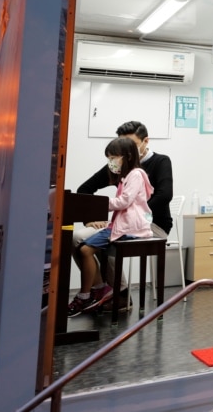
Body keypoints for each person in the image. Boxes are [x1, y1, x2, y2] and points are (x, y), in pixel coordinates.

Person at [73, 121, 174, 307]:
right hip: (122, 220)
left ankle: (119, 294)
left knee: (96, 241)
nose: (127, 152)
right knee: (77, 238)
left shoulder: (160, 161)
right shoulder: (118, 165)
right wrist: (91, 219)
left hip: (152, 224)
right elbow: (84, 189)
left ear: (145, 141)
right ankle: (102, 290)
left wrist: (133, 213)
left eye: (132, 145)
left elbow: (165, 195)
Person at [68, 137, 154, 316]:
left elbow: (124, 201)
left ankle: (87, 294)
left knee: (85, 250)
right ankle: (98, 289)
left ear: (127, 156)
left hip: (131, 228)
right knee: (84, 249)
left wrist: (100, 205)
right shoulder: (126, 176)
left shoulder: (136, 174)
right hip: (122, 224)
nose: (111, 163)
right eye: (109, 158)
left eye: (114, 158)